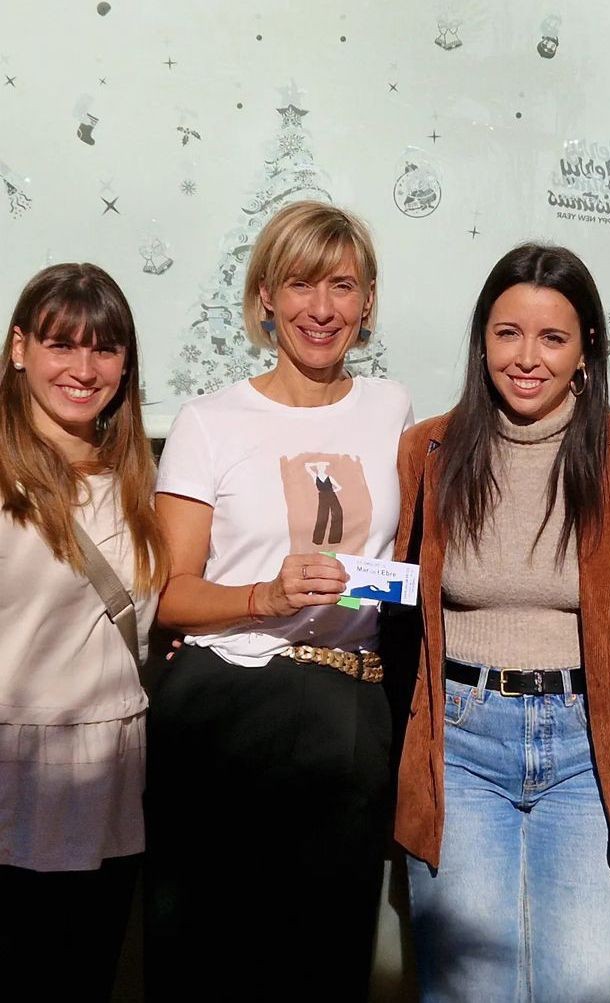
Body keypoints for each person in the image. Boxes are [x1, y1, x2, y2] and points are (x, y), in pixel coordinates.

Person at [145, 201, 412, 1000]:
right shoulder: (210, 421)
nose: (321, 309)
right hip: (228, 701)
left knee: (326, 961)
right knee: (206, 958)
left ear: (368, 301)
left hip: (349, 709)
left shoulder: (394, 411)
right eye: (300, 284)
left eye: (342, 286)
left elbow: (402, 565)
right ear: (265, 295)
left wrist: (382, 582)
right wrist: (265, 594)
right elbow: (170, 595)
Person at [394, 243, 610, 1002]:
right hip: (460, 741)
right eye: (507, 333)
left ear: (587, 349)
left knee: (578, 985)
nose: (526, 358)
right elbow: (398, 599)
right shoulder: (429, 449)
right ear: (482, 339)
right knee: (469, 989)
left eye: (553, 337)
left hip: (589, 748)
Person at [0, 263, 168, 1000]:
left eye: (104, 349)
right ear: (19, 349)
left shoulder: (139, 479)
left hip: (108, 776)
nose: (83, 368)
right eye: (61, 345)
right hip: (14, 775)